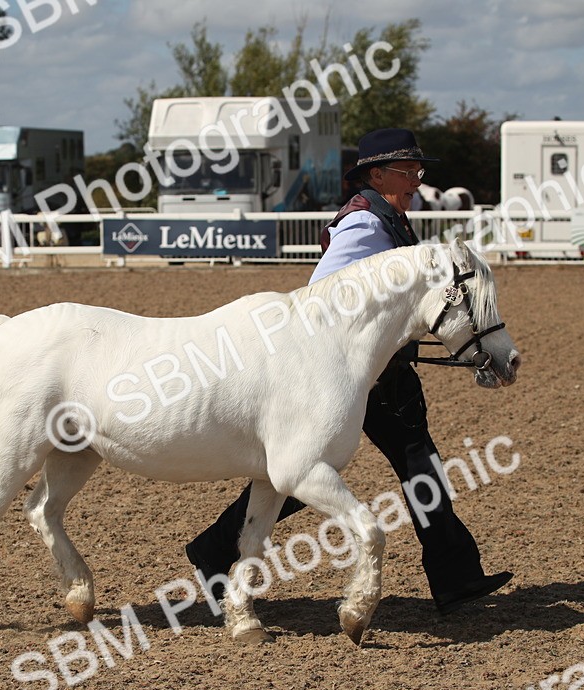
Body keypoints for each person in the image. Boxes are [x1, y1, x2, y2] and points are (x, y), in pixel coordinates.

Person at [185, 128, 512, 615]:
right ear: (377, 174)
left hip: (382, 376)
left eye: (419, 170)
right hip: (357, 381)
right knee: (308, 472)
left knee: (415, 468)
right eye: (409, 170)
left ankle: (455, 575)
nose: (418, 180)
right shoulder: (364, 225)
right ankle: (215, 549)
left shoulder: (391, 217)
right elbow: (323, 295)